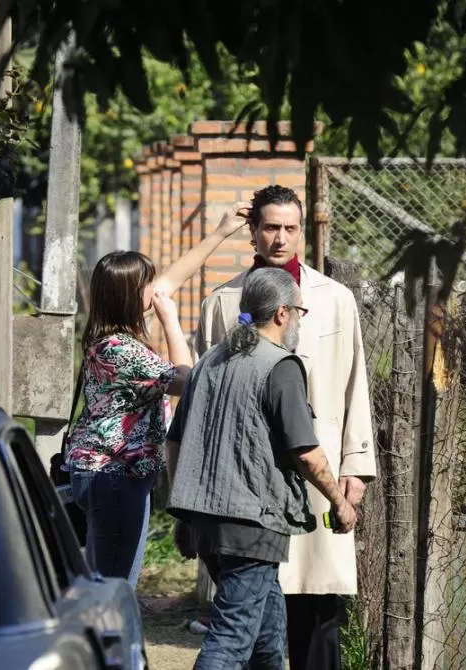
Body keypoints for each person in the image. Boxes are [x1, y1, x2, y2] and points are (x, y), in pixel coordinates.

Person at [192, 185, 376, 669]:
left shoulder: (334, 299)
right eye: (270, 227)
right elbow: (202, 400)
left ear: (302, 233)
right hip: (244, 482)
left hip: (319, 467)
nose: (280, 238)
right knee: (251, 619)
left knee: (317, 606)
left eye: (291, 228)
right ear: (253, 231)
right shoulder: (223, 304)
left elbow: (357, 383)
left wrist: (355, 465)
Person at [165, 267, 358, 670]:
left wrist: (182, 515)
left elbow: (175, 439)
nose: (301, 321)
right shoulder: (281, 366)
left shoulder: (211, 360)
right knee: (231, 640)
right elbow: (306, 453)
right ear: (283, 313)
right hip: (251, 526)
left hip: (208, 522)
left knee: (267, 640)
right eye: (300, 312)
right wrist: (339, 502)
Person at [64, 201, 250, 589]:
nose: (158, 290)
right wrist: (170, 320)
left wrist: (220, 232)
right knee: (115, 588)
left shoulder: (110, 335)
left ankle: (112, 645)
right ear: (131, 296)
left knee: (110, 579)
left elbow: (170, 282)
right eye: (148, 285)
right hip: (115, 477)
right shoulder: (122, 350)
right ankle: (114, 648)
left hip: (108, 474)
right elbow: (186, 379)